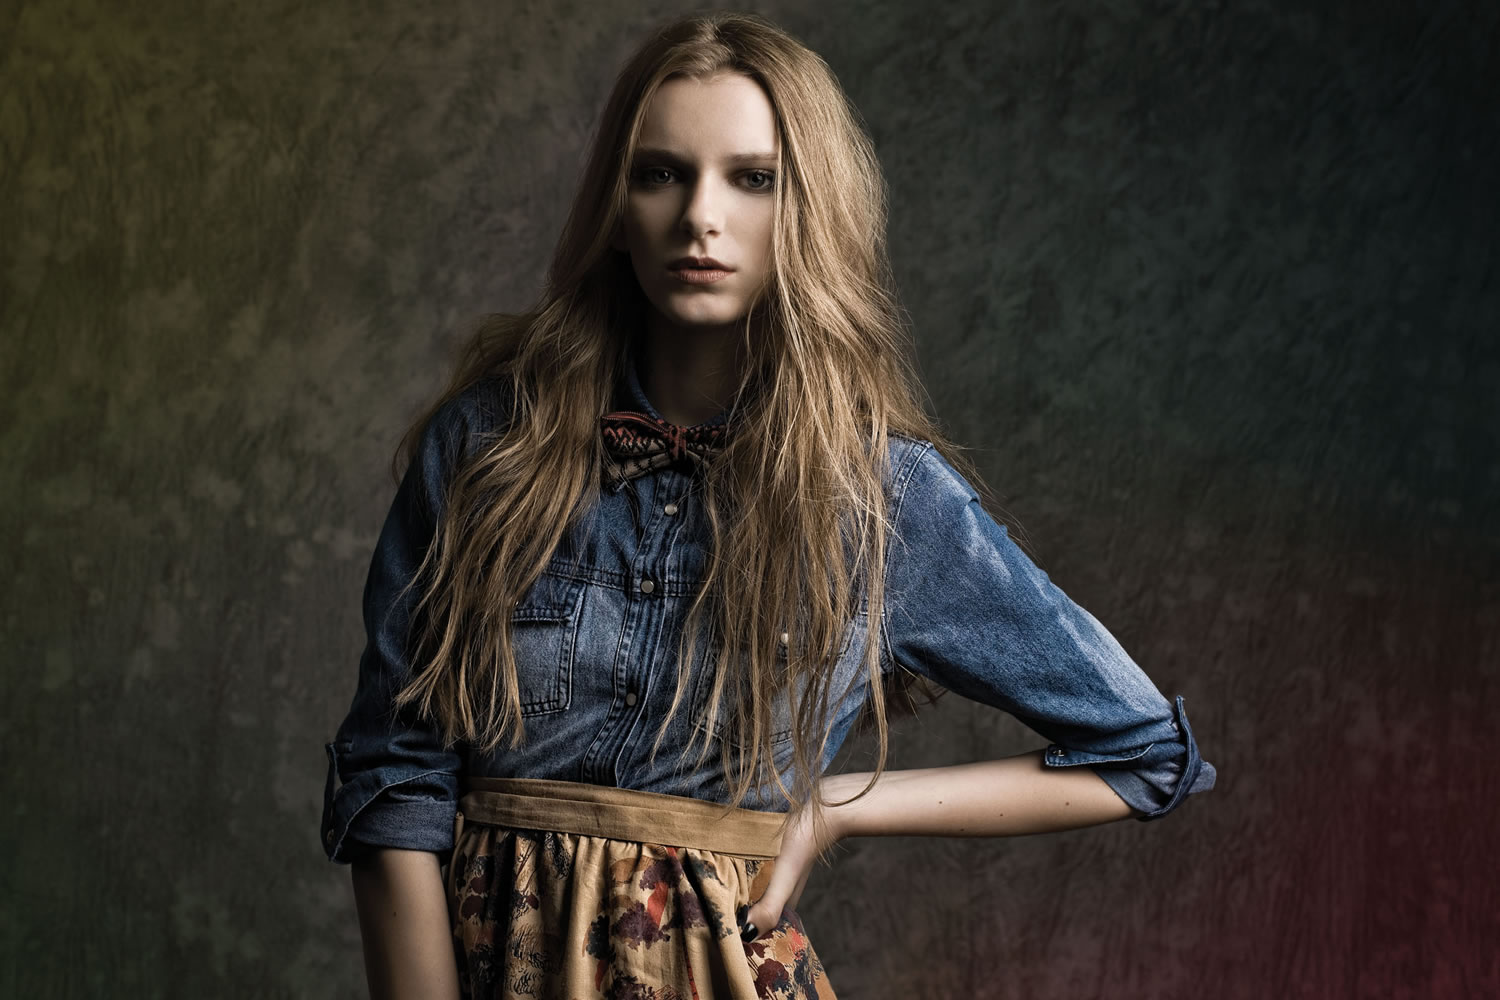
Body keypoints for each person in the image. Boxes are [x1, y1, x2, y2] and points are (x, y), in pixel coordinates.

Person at [319, 11, 1216, 1000]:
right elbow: (393, 773)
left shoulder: (880, 497)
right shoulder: (490, 445)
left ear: (810, 206)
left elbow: (1145, 752)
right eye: (661, 173)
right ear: (616, 201)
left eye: (754, 178)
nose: (700, 216)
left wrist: (834, 808)